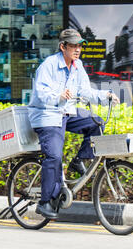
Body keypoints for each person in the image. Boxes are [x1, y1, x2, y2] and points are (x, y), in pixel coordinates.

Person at [27, 28, 120, 220]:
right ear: (63, 47)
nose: (77, 50)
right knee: (53, 156)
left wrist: (106, 96)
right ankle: (45, 202)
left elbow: (86, 91)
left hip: (67, 113)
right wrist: (58, 96)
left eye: (79, 46)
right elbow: (41, 93)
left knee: (97, 124)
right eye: (73, 46)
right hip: (47, 115)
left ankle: (78, 161)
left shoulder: (78, 66)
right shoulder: (49, 65)